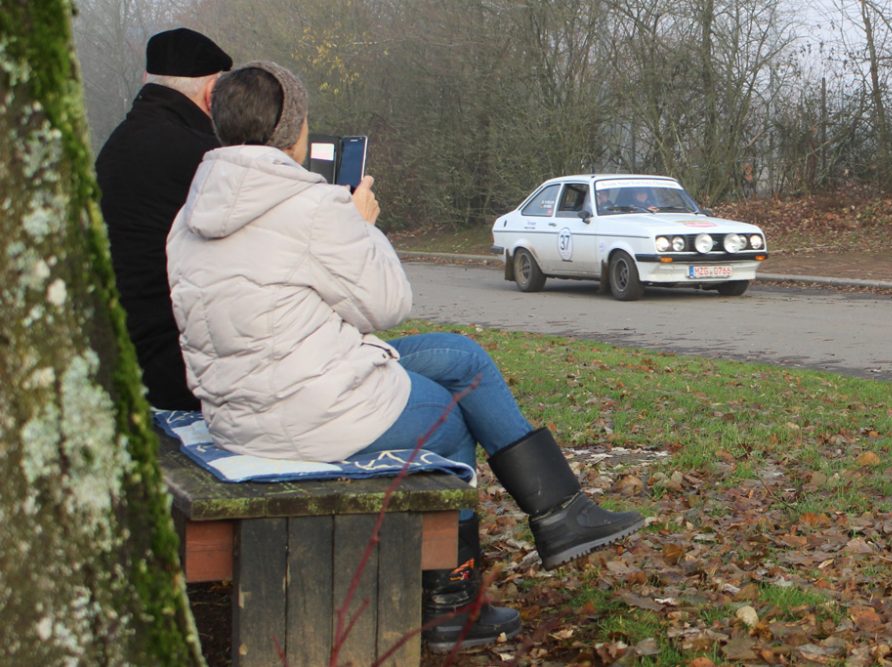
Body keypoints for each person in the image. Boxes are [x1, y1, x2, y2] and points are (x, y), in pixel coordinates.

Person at [166, 61, 644, 652]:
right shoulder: (310, 209)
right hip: (303, 411)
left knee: (461, 356)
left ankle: (561, 512)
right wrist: (360, 225)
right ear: (294, 131)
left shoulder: (191, 214)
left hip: (245, 403)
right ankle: (454, 603)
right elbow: (388, 306)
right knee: (448, 415)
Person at [96, 28, 232, 410]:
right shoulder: (204, 158)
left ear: (146, 80)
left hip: (118, 355)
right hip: (174, 370)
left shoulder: (117, 145)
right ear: (212, 94)